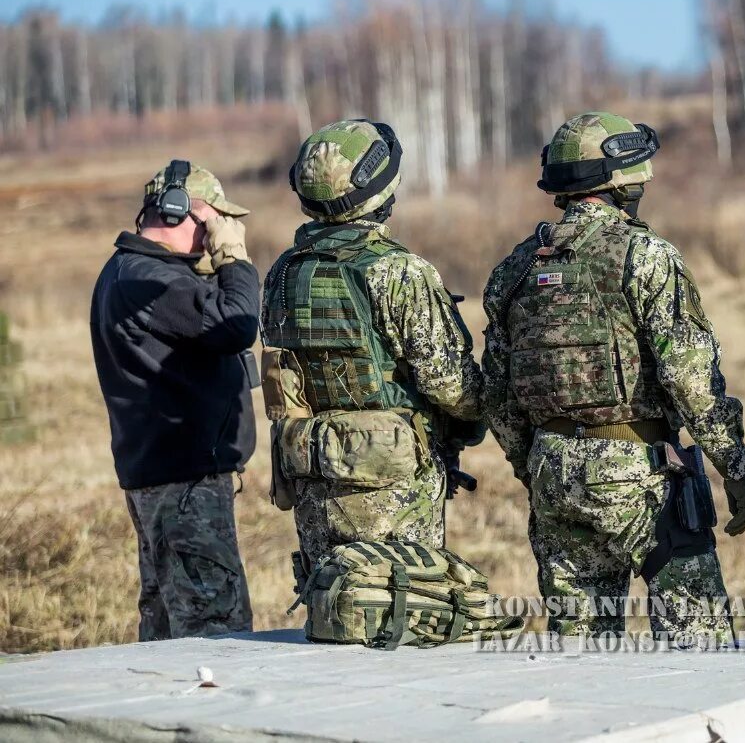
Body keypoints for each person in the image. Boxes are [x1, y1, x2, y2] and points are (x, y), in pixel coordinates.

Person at [481, 111, 745, 643]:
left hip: (551, 470)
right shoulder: (645, 256)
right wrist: (735, 465)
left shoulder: (516, 267)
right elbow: (688, 377)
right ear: (621, 181)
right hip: (643, 474)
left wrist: (532, 462)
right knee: (697, 646)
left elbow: (497, 394)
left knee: (580, 651)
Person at [261, 119, 484, 574]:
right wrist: (484, 410)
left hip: (313, 473)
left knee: (333, 607)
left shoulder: (283, 272)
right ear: (380, 190)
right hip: (392, 481)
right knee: (402, 607)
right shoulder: (397, 271)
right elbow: (452, 386)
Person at [90, 160, 257, 640]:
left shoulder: (131, 271)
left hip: (166, 481)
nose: (212, 238)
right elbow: (237, 323)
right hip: (184, 487)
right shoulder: (150, 278)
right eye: (209, 223)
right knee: (215, 635)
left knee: (166, 634)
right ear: (175, 210)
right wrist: (235, 261)